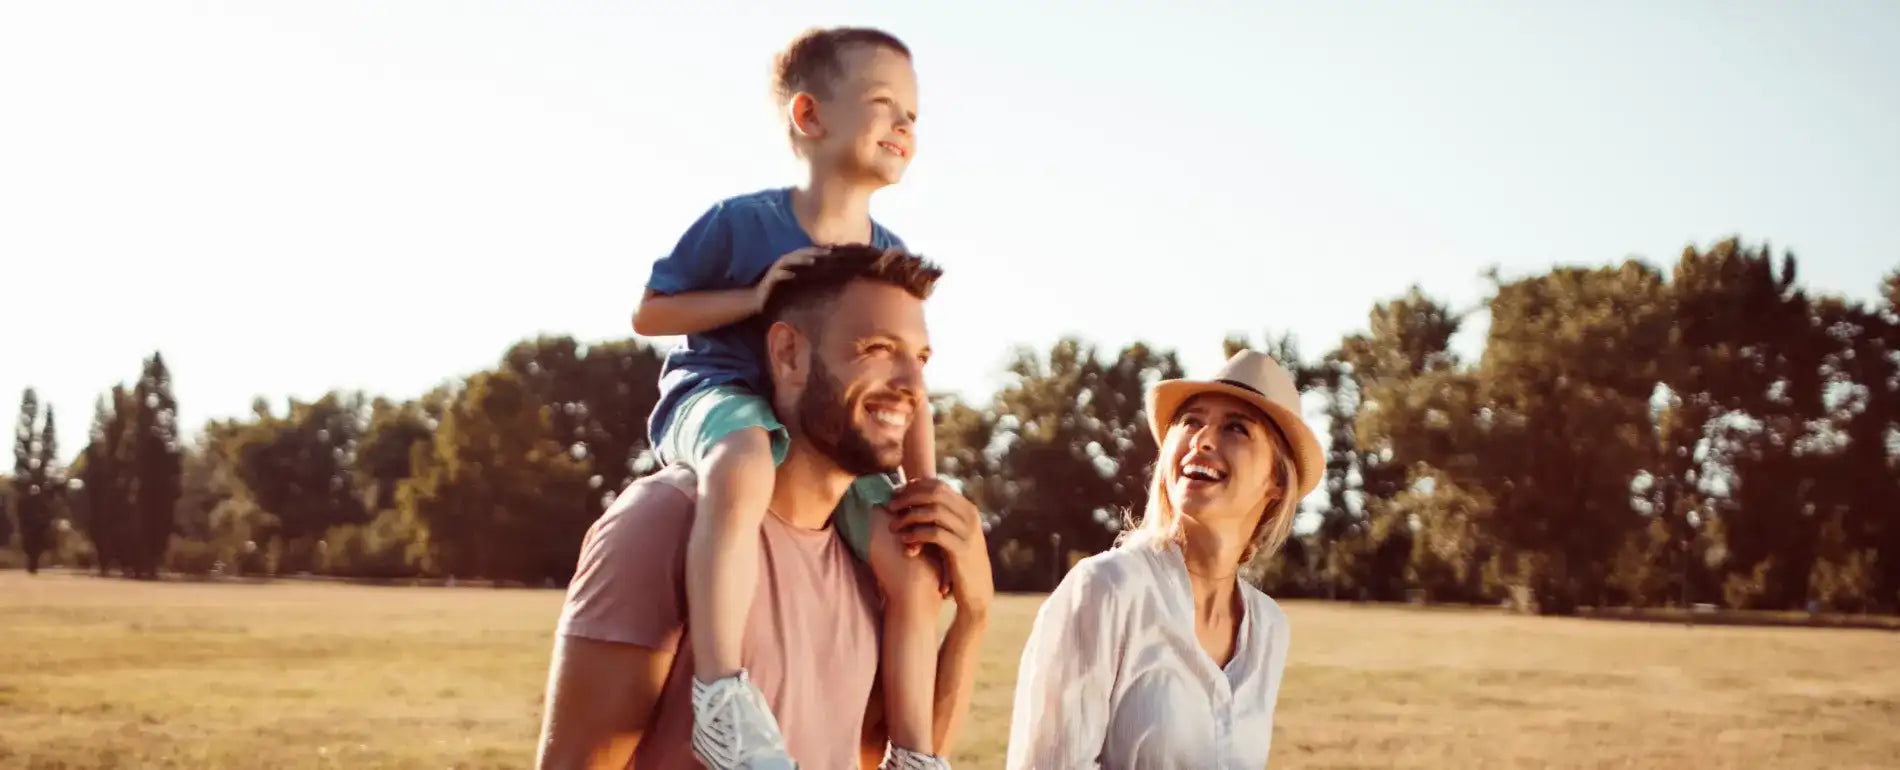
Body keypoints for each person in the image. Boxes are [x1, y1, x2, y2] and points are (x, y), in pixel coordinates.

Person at [539, 246, 990, 770]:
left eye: (920, 360)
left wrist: (973, 614)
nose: (911, 387)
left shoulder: (881, 562)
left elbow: (877, 757)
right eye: (876, 349)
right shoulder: (664, 520)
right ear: (789, 356)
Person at [627, 26, 944, 770]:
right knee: (742, 464)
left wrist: (921, 488)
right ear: (808, 116)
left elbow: (909, 383)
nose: (904, 126)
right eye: (883, 104)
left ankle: (914, 753)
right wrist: (755, 296)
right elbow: (650, 314)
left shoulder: (886, 254)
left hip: (823, 438)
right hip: (721, 397)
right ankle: (723, 697)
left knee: (911, 562)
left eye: (914, 116)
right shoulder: (743, 221)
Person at [1004, 350, 1324, 769]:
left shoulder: (1268, 629)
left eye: (1236, 429)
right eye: (1191, 421)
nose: (1203, 440)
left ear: (1276, 481)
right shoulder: (1107, 589)